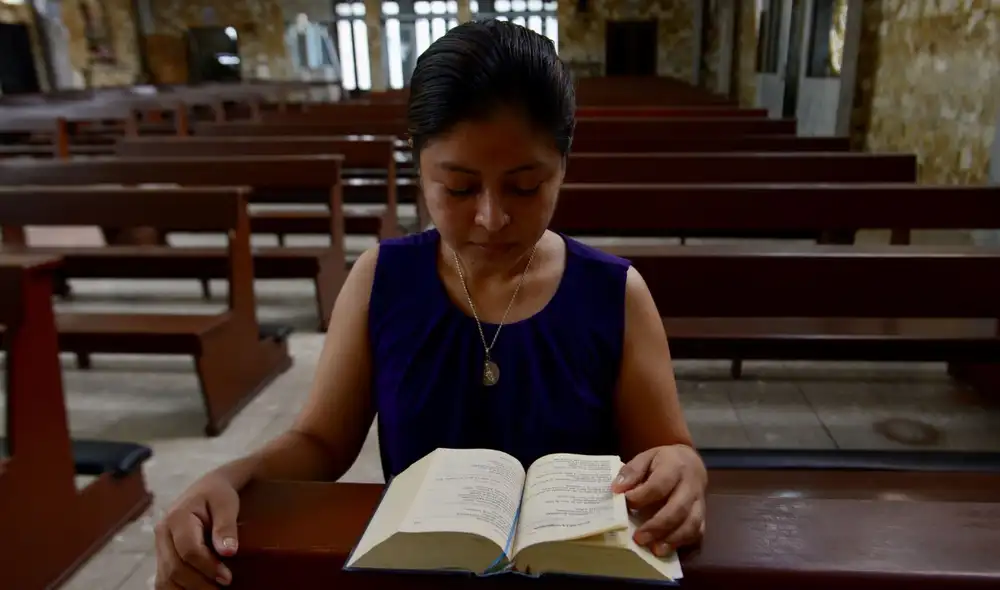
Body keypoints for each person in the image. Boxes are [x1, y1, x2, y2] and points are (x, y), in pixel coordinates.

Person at [154, 20, 707, 589]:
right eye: (460, 188)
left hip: (578, 573)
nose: (491, 219)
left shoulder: (613, 293)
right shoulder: (382, 279)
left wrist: (682, 468)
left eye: (523, 187)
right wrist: (233, 475)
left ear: (563, 166)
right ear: (419, 168)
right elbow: (320, 443)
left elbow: (665, 450)